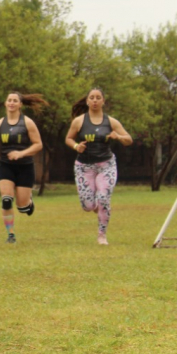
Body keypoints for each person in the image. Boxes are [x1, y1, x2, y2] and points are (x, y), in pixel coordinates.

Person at [64, 88, 132, 245]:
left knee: (103, 198)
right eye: (92, 98)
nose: (95, 100)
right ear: (87, 101)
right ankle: (95, 205)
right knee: (87, 206)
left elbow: (128, 140)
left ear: (103, 101)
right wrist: (76, 146)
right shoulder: (79, 121)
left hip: (106, 165)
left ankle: (102, 235)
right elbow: (68, 138)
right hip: (84, 166)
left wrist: (118, 136)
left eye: (98, 98)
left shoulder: (111, 122)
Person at [0, 92, 45, 244]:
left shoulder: (28, 123)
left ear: (20, 105)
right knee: (6, 200)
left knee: (22, 207)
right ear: (5, 103)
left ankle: (28, 203)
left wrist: (21, 153)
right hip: (6, 166)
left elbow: (38, 145)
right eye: (9, 100)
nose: (11, 103)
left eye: (15, 100)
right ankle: (11, 235)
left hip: (25, 167)